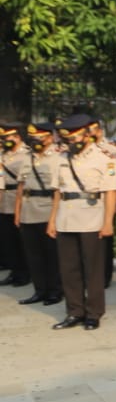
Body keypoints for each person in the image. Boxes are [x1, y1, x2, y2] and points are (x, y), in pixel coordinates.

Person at [47, 114, 116, 331]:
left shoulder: (104, 158)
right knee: (69, 268)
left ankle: (94, 312)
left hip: (91, 217)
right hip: (65, 217)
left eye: (75, 138)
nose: (71, 143)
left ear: (87, 135)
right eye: (68, 139)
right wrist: (52, 220)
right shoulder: (60, 158)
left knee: (93, 269)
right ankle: (74, 311)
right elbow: (58, 192)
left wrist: (108, 222)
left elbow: (110, 192)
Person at [13, 122, 62, 306]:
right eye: (33, 138)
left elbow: (58, 191)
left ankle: (55, 291)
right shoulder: (28, 158)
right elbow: (21, 186)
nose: (36, 141)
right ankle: (39, 290)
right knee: (33, 255)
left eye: (40, 138)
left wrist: (54, 219)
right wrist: (17, 212)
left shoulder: (58, 157)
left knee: (51, 255)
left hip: (47, 209)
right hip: (28, 210)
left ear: (50, 137)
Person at [88, 116, 116, 288]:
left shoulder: (113, 149)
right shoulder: (81, 149)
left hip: (106, 201)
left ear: (100, 131)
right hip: (87, 204)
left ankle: (104, 275)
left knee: (104, 240)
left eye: (92, 130)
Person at [0, 123, 30, 288]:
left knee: (21, 241)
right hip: (4, 200)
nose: (5, 141)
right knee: (8, 240)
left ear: (17, 137)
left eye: (7, 137)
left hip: (18, 200)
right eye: (3, 138)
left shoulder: (26, 154)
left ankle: (25, 273)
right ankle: (15, 271)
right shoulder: (3, 155)